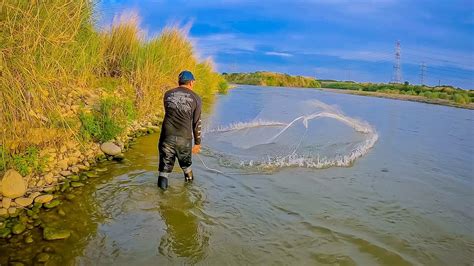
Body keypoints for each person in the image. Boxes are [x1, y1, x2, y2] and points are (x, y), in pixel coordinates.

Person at [158, 70, 202, 190]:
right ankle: (188, 194)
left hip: (166, 137)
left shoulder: (167, 94)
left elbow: (169, 112)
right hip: (184, 139)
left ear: (179, 81)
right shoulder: (196, 98)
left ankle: (161, 199)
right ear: (191, 82)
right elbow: (197, 123)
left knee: (164, 171)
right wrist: (198, 143)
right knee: (187, 167)